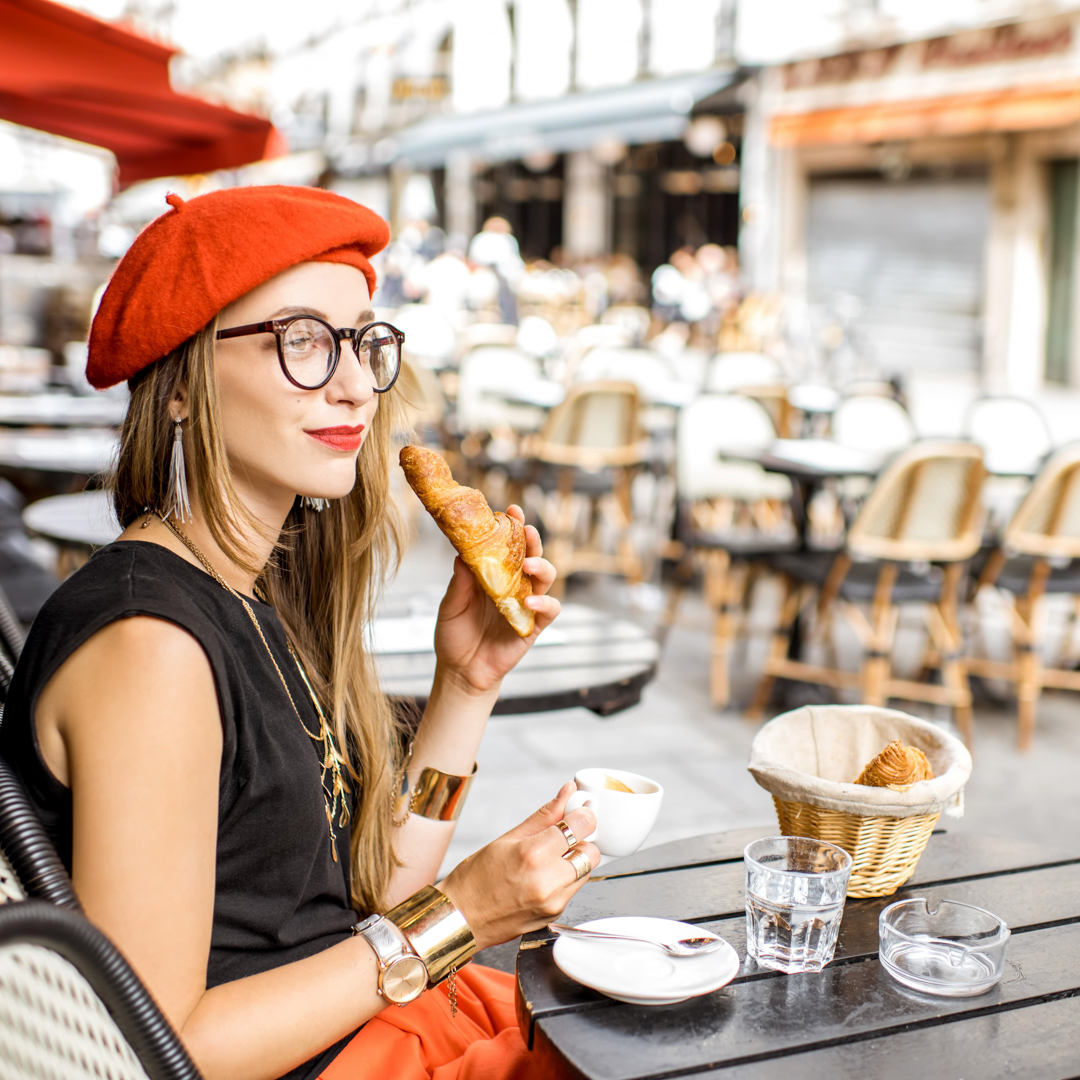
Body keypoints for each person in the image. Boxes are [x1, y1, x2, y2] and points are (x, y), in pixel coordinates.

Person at [0, 186, 599, 1080]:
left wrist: (466, 685)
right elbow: (158, 1048)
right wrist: (463, 915)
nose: (355, 382)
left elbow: (367, 900)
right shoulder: (149, 648)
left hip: (372, 1032)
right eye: (304, 340)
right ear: (180, 384)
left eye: (362, 340)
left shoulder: (254, 592)